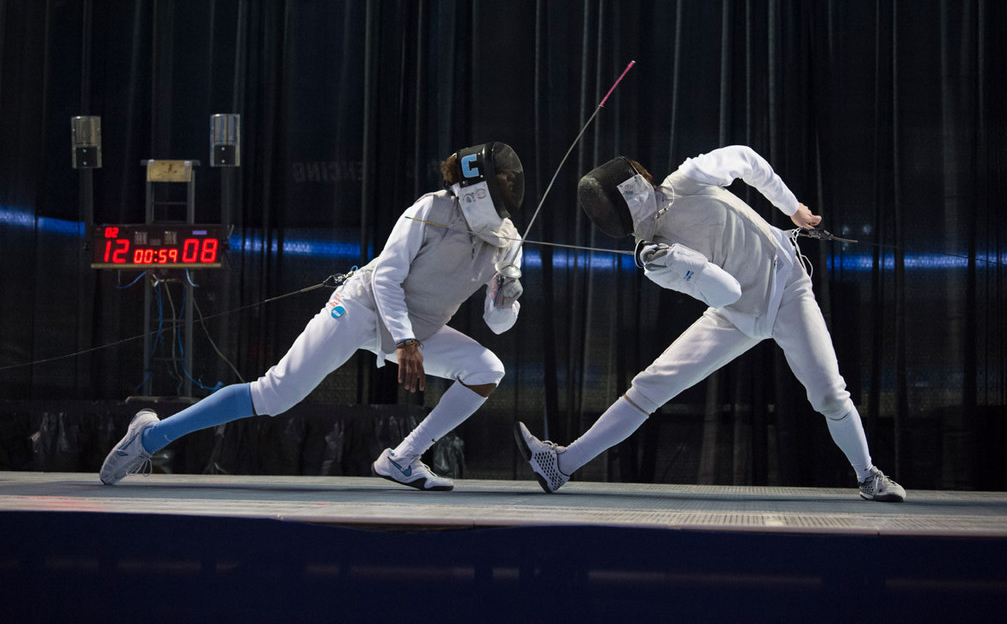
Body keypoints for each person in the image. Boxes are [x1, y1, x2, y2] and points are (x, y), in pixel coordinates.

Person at [101, 142, 526, 491]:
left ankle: (402, 458)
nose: (509, 186)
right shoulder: (430, 209)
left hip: (419, 329)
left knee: (486, 368)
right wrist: (406, 340)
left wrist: (506, 298)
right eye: (502, 180)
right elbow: (386, 279)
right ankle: (149, 435)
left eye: (511, 182)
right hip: (361, 308)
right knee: (274, 395)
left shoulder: (507, 241)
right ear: (477, 186)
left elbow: (497, 324)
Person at [514, 145, 906, 502]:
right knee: (651, 385)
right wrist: (683, 264)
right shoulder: (652, 255)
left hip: (787, 291)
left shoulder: (687, 181)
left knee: (829, 395)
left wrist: (791, 207)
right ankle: (560, 465)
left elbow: (746, 160)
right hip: (733, 315)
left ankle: (868, 476)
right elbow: (726, 293)